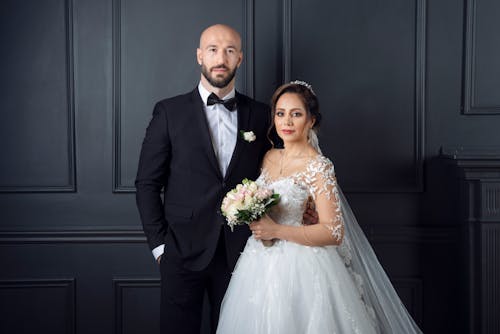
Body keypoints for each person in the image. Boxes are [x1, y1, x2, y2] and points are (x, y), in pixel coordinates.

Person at [216, 81, 423, 333]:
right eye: (280, 114)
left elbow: (334, 232)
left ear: (311, 121)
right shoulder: (269, 157)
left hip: (303, 267)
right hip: (258, 263)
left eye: (296, 114)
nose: (287, 122)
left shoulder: (318, 166)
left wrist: (276, 231)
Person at [134, 24, 271, 334]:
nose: (220, 58)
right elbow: (146, 184)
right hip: (181, 253)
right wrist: (160, 248)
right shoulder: (169, 112)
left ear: (241, 59)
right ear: (199, 56)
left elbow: (275, 175)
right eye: (212, 49)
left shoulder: (262, 115)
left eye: (229, 50)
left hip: (242, 254)